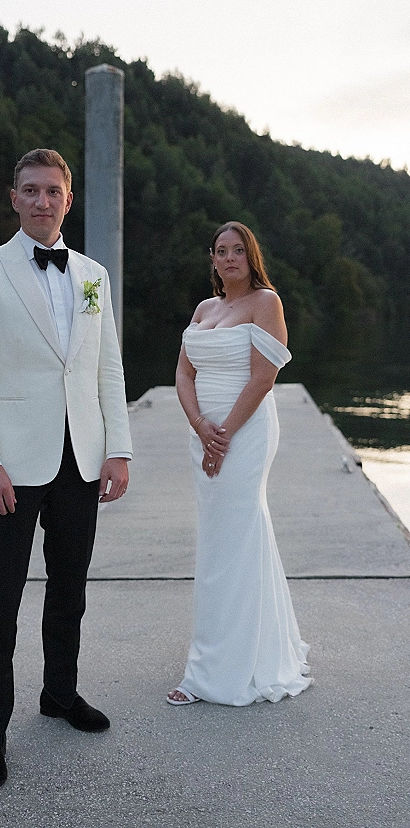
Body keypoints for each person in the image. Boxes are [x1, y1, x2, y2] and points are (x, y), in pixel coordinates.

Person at [0, 148, 132, 790]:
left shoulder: (91, 276)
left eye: (53, 191)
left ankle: (59, 693)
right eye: (30, 190)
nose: (42, 200)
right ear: (14, 197)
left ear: (69, 199)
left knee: (70, 592)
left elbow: (107, 368)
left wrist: (119, 447)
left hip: (81, 459)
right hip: (13, 466)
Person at [167, 221, 312, 707]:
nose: (230, 258)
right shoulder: (205, 308)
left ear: (251, 257)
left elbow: (263, 378)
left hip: (244, 435)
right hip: (206, 436)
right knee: (225, 539)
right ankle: (246, 651)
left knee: (232, 540)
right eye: (221, 251)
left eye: (238, 251)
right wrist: (200, 429)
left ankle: (216, 672)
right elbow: (183, 375)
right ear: (212, 259)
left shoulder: (266, 303)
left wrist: (223, 434)